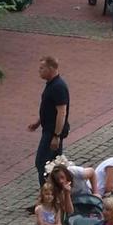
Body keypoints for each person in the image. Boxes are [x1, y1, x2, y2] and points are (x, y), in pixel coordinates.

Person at [33, 56, 71, 187]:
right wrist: (38, 122)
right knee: (54, 163)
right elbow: (49, 109)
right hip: (49, 130)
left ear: (51, 69)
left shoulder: (58, 87)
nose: (39, 71)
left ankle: (48, 191)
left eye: (42, 68)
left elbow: (61, 112)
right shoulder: (52, 85)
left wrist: (56, 135)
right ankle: (54, 191)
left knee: (43, 163)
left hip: (52, 132)